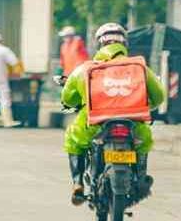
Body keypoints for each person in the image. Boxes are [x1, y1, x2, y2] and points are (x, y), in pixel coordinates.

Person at [61, 23, 166, 205]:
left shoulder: (86, 69)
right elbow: (158, 96)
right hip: (134, 121)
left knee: (73, 139)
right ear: (124, 44)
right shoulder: (140, 67)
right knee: (144, 141)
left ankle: (78, 184)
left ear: (99, 45)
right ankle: (140, 177)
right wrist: (145, 106)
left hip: (94, 122)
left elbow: (68, 99)